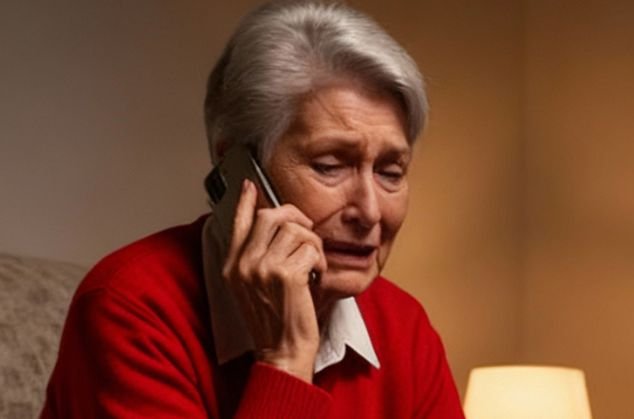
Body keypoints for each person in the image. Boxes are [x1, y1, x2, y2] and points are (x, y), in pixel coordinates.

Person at [41, 1, 465, 418]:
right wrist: (285, 358)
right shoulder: (128, 307)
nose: (370, 212)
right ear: (236, 167)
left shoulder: (405, 327)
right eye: (329, 166)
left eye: (390, 172)